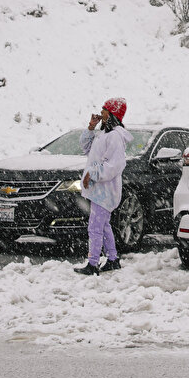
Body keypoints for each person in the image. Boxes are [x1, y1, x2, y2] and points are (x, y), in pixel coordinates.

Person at [74, 97, 132, 276]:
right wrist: (91, 127)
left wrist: (93, 174)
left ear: (112, 113)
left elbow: (115, 165)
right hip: (100, 190)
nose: (101, 113)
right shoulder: (105, 134)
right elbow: (87, 148)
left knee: (95, 227)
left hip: (106, 191)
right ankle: (113, 259)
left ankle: (93, 263)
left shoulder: (115, 136)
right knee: (103, 225)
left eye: (104, 110)